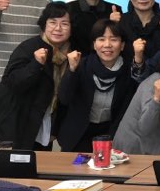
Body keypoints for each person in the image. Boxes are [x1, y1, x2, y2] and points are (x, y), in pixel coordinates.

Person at [0, 1, 72, 149]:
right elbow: (12, 82)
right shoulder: (29, 47)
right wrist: (36, 64)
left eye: (64, 24)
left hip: (44, 120)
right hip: (17, 121)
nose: (58, 28)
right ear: (44, 25)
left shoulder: (70, 54)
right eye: (52, 22)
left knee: (40, 160)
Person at [56, 19, 147, 153]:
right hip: (78, 134)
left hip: (111, 133)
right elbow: (64, 98)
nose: (107, 45)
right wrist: (72, 70)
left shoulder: (127, 71)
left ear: (122, 45)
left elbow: (139, 81)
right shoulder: (81, 65)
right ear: (94, 44)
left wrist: (138, 57)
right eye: (101, 39)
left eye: (114, 39)